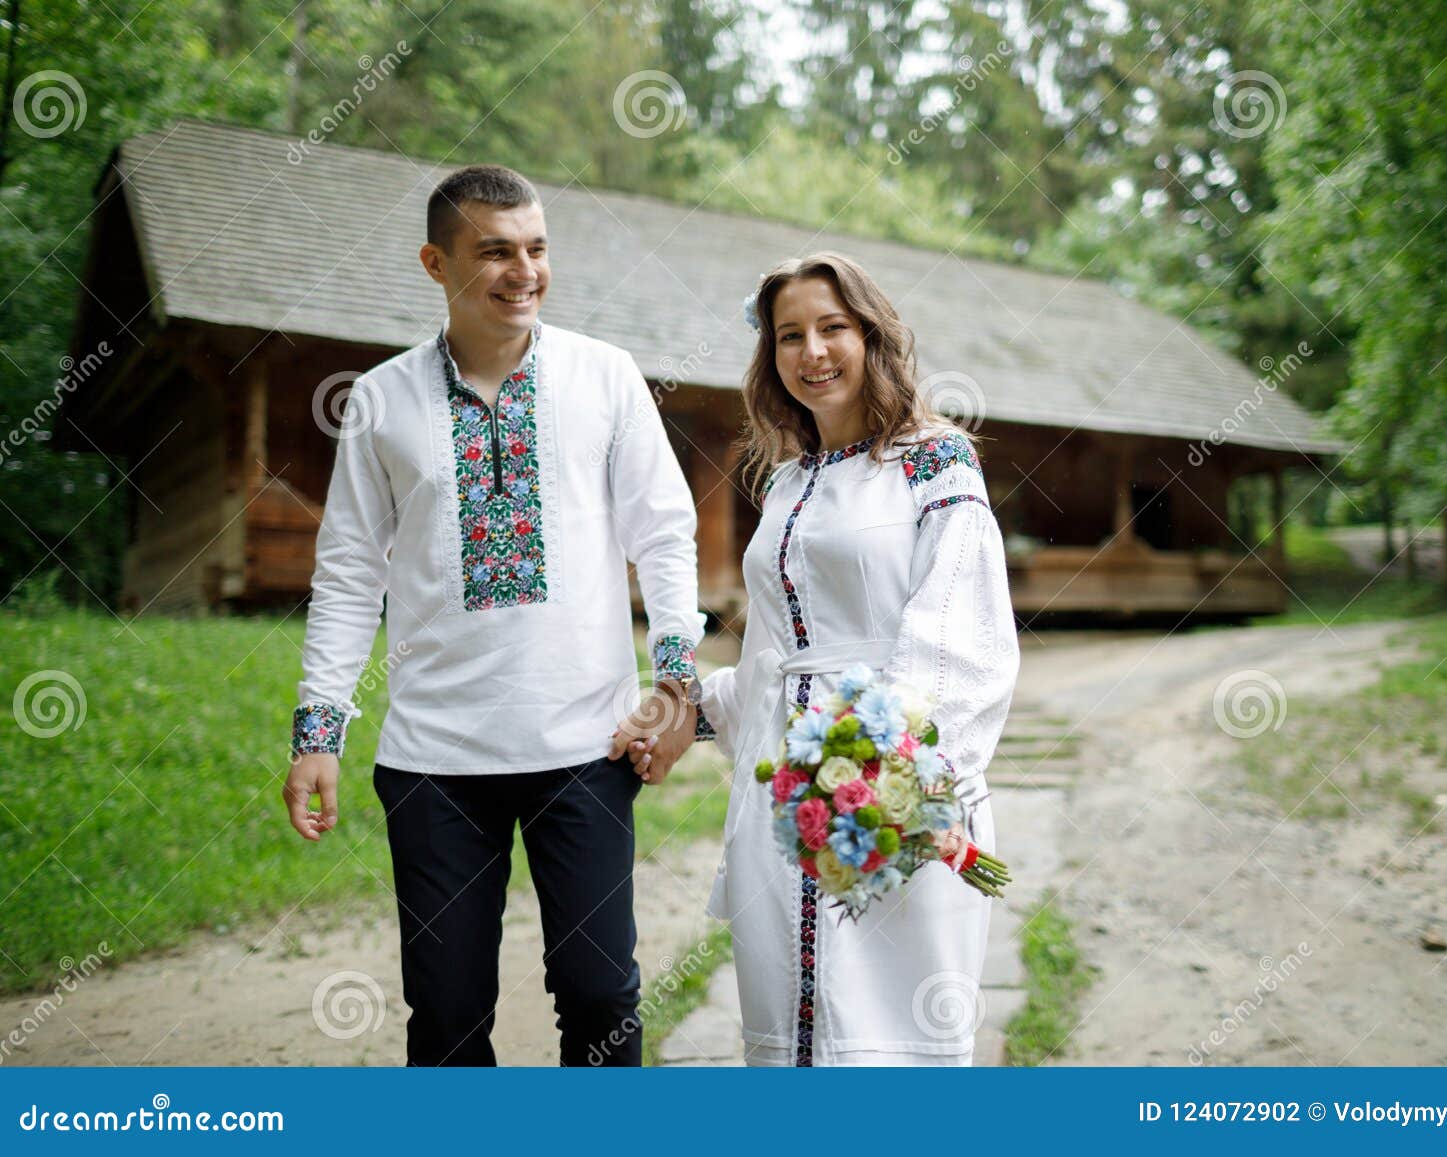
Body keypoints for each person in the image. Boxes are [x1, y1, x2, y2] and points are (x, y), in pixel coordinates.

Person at [283, 164, 705, 1067]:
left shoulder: (606, 375)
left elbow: (665, 533)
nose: (525, 271)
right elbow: (351, 571)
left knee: (601, 998)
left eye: (538, 248)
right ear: (436, 262)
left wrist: (676, 682)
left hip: (587, 745)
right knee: (444, 1017)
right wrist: (318, 731)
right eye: (496, 252)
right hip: (434, 759)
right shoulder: (381, 400)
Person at [624, 252, 1019, 1065]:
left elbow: (962, 638)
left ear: (872, 335)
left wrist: (887, 778)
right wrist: (688, 708)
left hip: (894, 798)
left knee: (885, 1038)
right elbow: (775, 659)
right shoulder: (786, 484)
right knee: (790, 1036)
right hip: (787, 805)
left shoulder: (933, 462)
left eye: (833, 327)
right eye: (789, 335)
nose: (813, 352)